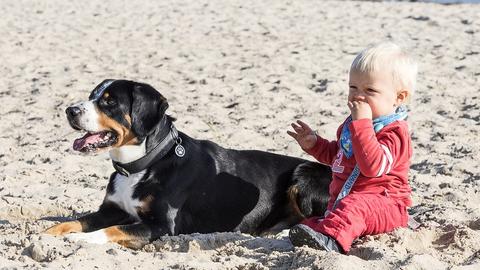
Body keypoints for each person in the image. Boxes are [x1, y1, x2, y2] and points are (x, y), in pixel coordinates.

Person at [287, 41, 417, 253]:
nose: (358, 95)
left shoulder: (395, 132)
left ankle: (333, 242)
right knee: (315, 221)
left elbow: (373, 167)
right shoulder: (352, 126)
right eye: (353, 87)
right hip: (346, 204)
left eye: (370, 90)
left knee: (355, 206)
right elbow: (338, 157)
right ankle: (320, 234)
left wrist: (362, 124)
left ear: (399, 97)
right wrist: (315, 144)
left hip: (385, 205)